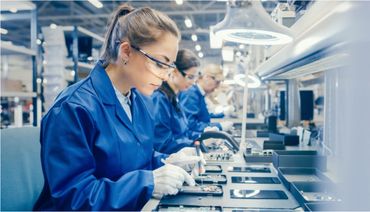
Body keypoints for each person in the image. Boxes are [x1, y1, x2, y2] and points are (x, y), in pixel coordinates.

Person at [34, 5, 204, 211]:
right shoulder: (73, 108)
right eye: (160, 63)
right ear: (126, 52)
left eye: (170, 67)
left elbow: (139, 157)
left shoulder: (137, 101)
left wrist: (167, 161)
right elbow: (72, 198)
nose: (165, 75)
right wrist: (148, 182)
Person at [148, 49, 200, 154]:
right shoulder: (160, 99)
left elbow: (184, 132)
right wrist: (193, 144)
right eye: (190, 77)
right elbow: (162, 143)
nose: (193, 83)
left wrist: (202, 138)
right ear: (175, 71)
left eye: (195, 78)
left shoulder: (175, 97)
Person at [179, 64, 233, 135]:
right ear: (207, 77)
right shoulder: (191, 94)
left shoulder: (199, 94)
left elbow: (202, 117)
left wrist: (222, 114)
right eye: (217, 82)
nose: (217, 86)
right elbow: (190, 124)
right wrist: (219, 126)